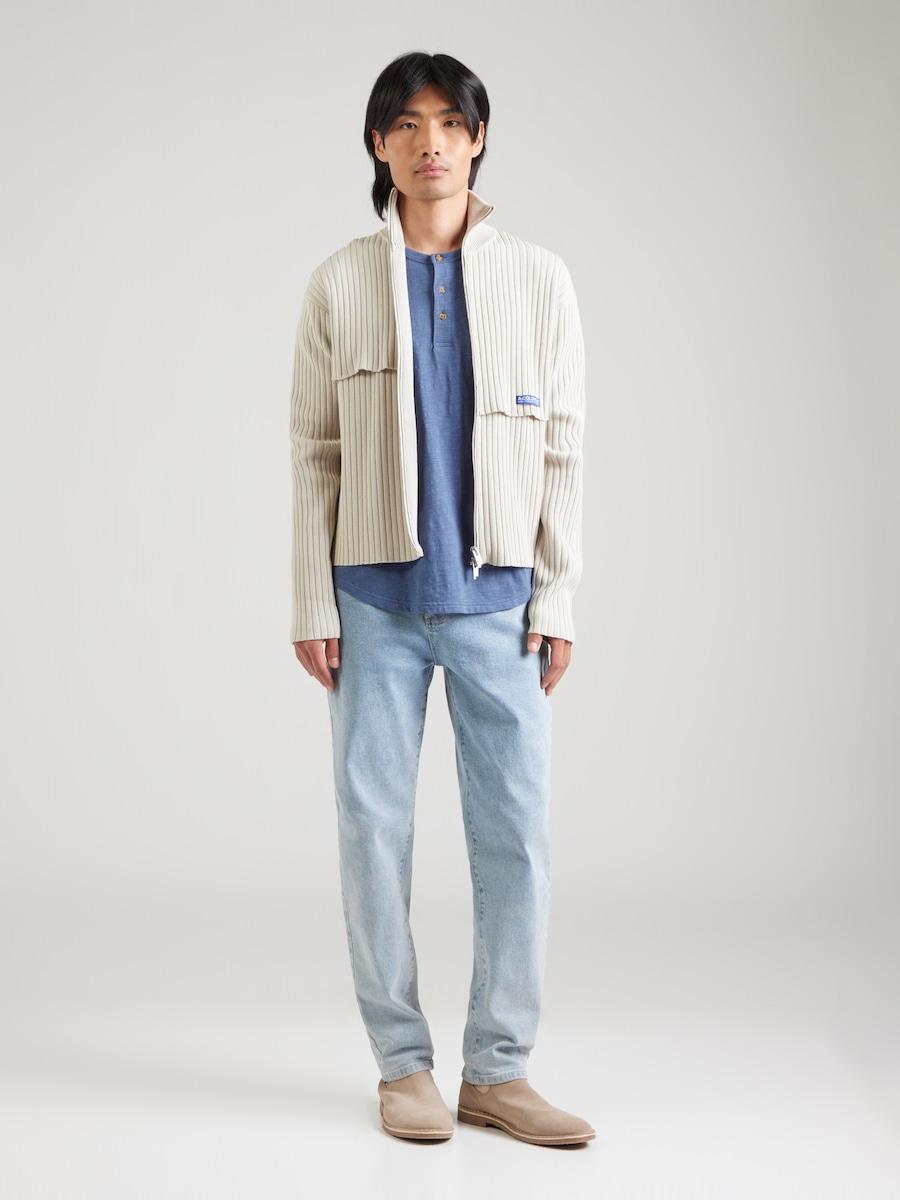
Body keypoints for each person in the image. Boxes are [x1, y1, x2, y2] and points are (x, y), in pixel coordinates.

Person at [289, 51, 593, 1147]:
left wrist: (557, 597)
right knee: (373, 830)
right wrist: (311, 602)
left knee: (518, 836)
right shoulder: (338, 283)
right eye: (409, 125)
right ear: (379, 144)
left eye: (451, 124)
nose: (431, 143)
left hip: (499, 601)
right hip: (371, 601)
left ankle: (499, 1071)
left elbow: (563, 449)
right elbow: (313, 451)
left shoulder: (539, 280)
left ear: (477, 139)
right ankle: (403, 1065)